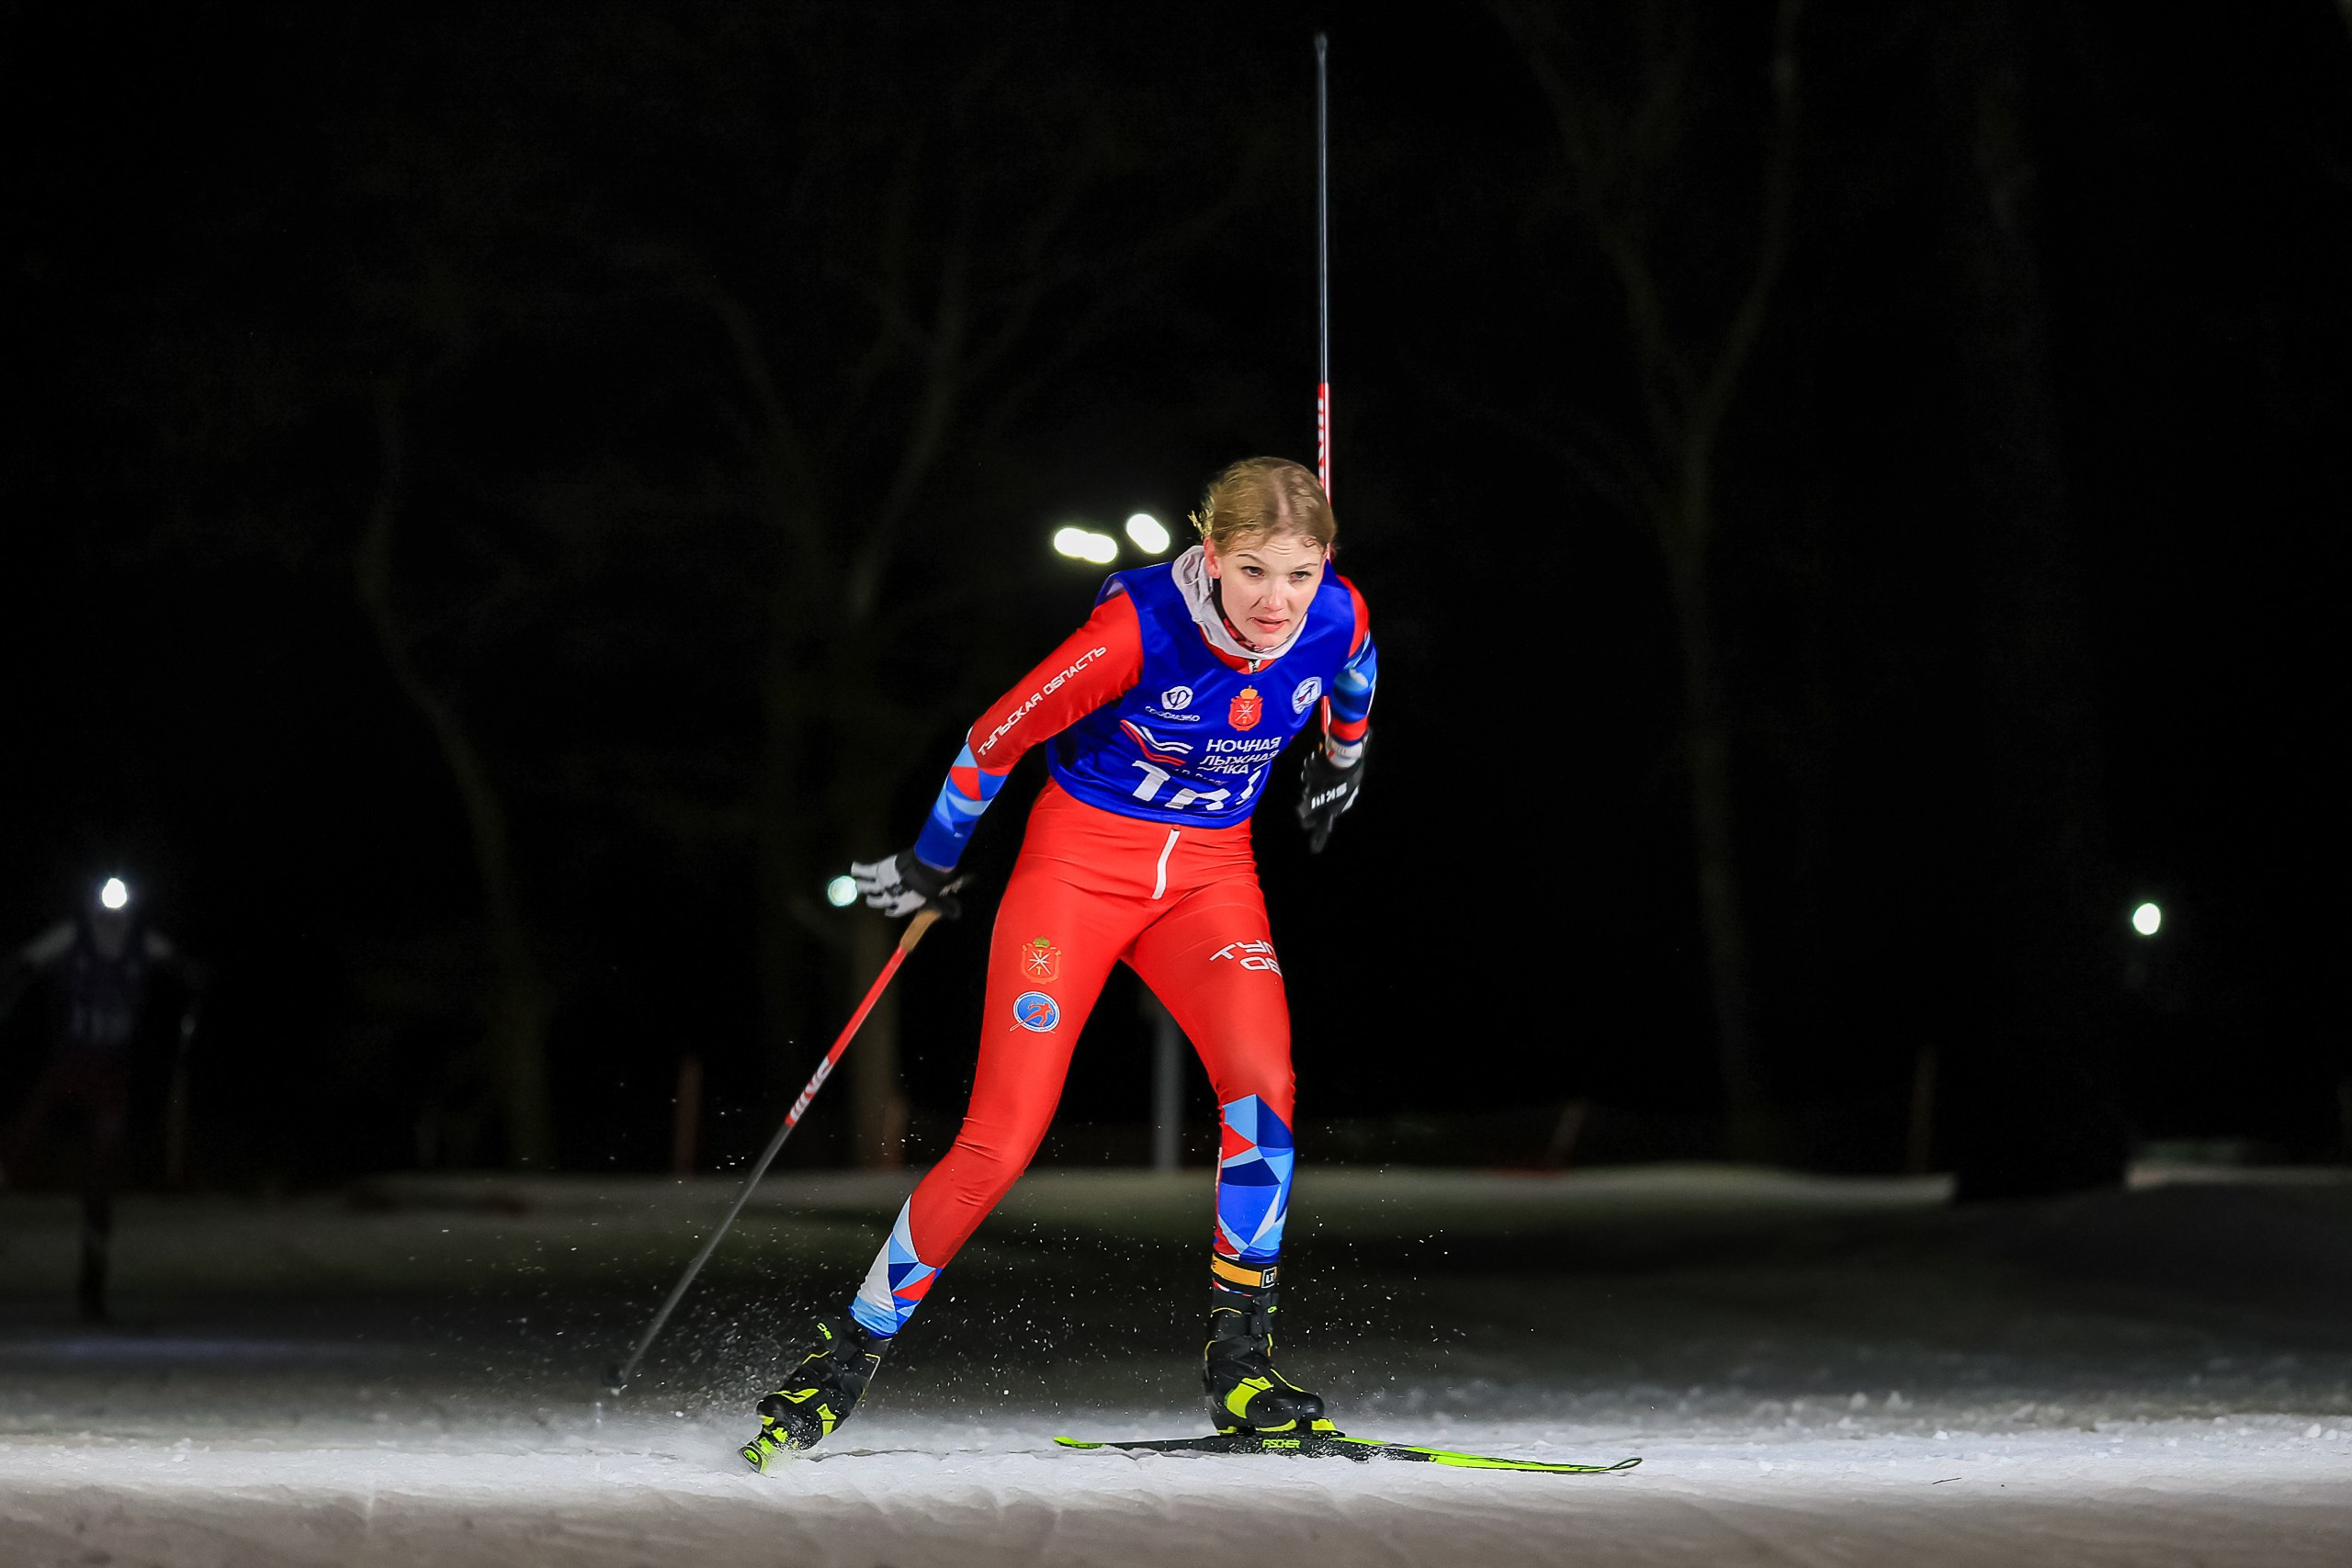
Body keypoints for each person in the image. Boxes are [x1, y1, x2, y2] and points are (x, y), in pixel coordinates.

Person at [741, 457, 1377, 1469]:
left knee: (1263, 1089)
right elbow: (992, 738)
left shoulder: (1337, 613)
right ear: (1210, 556)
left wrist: (1342, 761)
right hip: (1078, 872)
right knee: (1001, 1138)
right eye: (1252, 570)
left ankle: (1242, 1363)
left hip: (1209, 878)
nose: (1275, 602)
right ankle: (843, 1357)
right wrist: (928, 864)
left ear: (1324, 565)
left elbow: (1355, 671)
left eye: (1298, 574)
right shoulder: (1136, 633)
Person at [0, 875, 204, 1321]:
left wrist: (192, 977)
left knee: (102, 1173)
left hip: (110, 1070)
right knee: (20, 1143)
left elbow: (179, 964)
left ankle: (92, 1285)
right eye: (104, 910)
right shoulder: (71, 936)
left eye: (120, 911)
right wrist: (15, 978)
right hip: (68, 1063)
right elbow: (24, 961)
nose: (112, 920)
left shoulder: (141, 944)